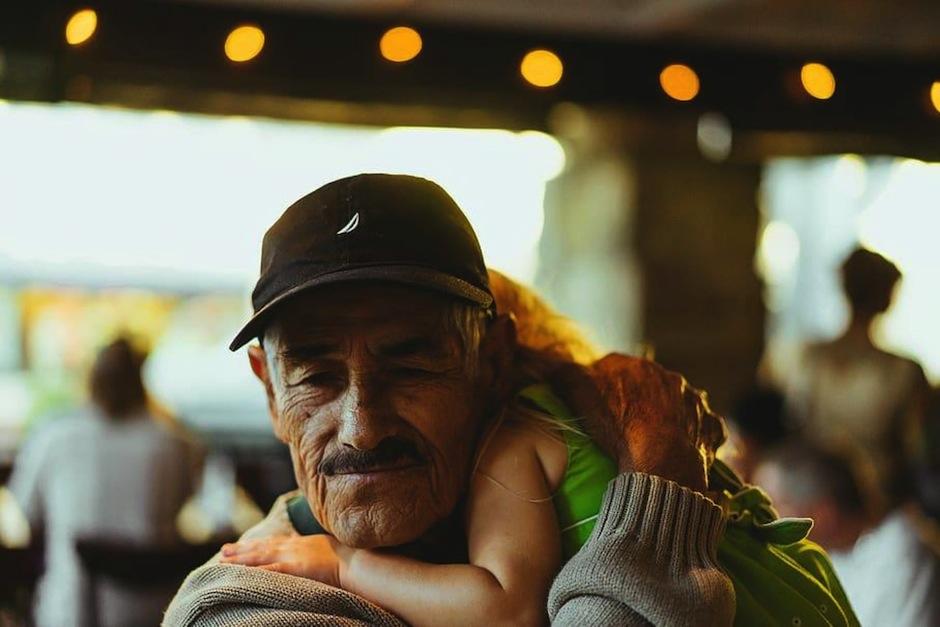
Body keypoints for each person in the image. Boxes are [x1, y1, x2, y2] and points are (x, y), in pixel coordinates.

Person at [165, 174, 735, 625]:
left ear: (492, 363)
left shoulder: (512, 473)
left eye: (410, 364)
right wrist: (664, 465)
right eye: (316, 377)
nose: (363, 428)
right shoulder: (243, 605)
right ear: (269, 390)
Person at [9, 338, 201, 627]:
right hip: (158, 612)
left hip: (68, 613)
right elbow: (186, 506)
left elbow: (27, 517)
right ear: (140, 382)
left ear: (90, 380)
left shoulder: (52, 436)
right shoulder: (176, 442)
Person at [786, 247, 929, 511]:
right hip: (876, 505)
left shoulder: (808, 357)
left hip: (810, 501)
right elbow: (916, 454)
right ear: (888, 297)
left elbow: (793, 427)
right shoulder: (903, 370)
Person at [754, 442, 940, 626]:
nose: (761, 521)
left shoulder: (901, 556)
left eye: (774, 507)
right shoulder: (830, 556)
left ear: (822, 514)